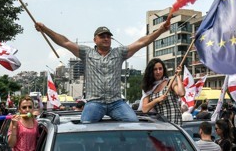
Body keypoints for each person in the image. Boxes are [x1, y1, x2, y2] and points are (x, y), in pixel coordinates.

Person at [36, 18, 170, 123]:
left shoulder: (120, 53)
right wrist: (45, 29)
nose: (106, 38)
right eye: (102, 36)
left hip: (116, 103)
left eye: (108, 36)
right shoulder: (86, 53)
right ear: (95, 39)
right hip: (95, 102)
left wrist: (160, 31)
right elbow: (65, 42)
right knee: (86, 125)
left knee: (133, 121)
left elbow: (141, 42)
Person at [140, 58, 185, 124]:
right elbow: (144, 109)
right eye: (155, 69)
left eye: (160, 69)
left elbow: (181, 93)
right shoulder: (149, 89)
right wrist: (157, 100)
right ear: (150, 71)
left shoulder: (169, 82)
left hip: (175, 124)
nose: (158, 72)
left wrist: (177, 76)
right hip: (161, 124)